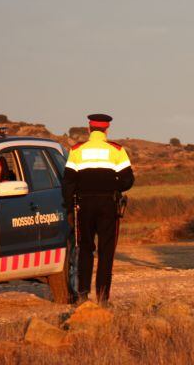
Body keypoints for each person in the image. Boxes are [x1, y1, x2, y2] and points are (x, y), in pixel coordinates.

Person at [62, 114, 134, 303]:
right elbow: (128, 180)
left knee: (85, 250)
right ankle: (102, 298)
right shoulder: (117, 150)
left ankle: (83, 295)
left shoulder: (77, 150)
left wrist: (69, 209)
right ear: (106, 130)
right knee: (106, 252)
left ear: (89, 129)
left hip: (83, 206)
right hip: (108, 206)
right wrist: (113, 184)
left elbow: (68, 182)